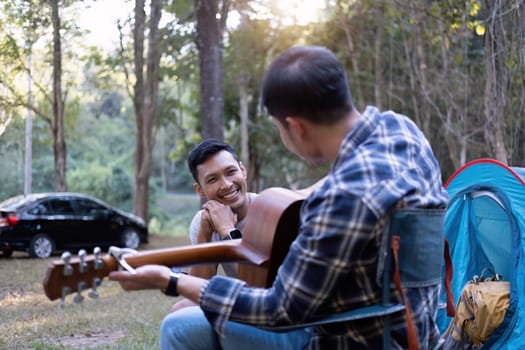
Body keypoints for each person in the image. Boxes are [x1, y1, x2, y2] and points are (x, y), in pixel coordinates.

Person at [109, 45, 448, 349]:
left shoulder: (342, 197)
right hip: (415, 328)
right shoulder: (402, 131)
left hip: (354, 338)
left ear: (296, 127)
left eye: (278, 128)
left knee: (180, 328)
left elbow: (279, 309)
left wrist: (169, 279)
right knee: (188, 322)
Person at [170, 138, 257, 312]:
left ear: (243, 170)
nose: (226, 184)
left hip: (272, 303)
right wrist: (204, 233)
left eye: (231, 172)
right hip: (241, 301)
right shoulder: (203, 220)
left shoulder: (269, 211)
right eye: (212, 180)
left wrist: (228, 231)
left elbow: (259, 284)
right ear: (200, 190)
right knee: (181, 310)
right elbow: (197, 293)